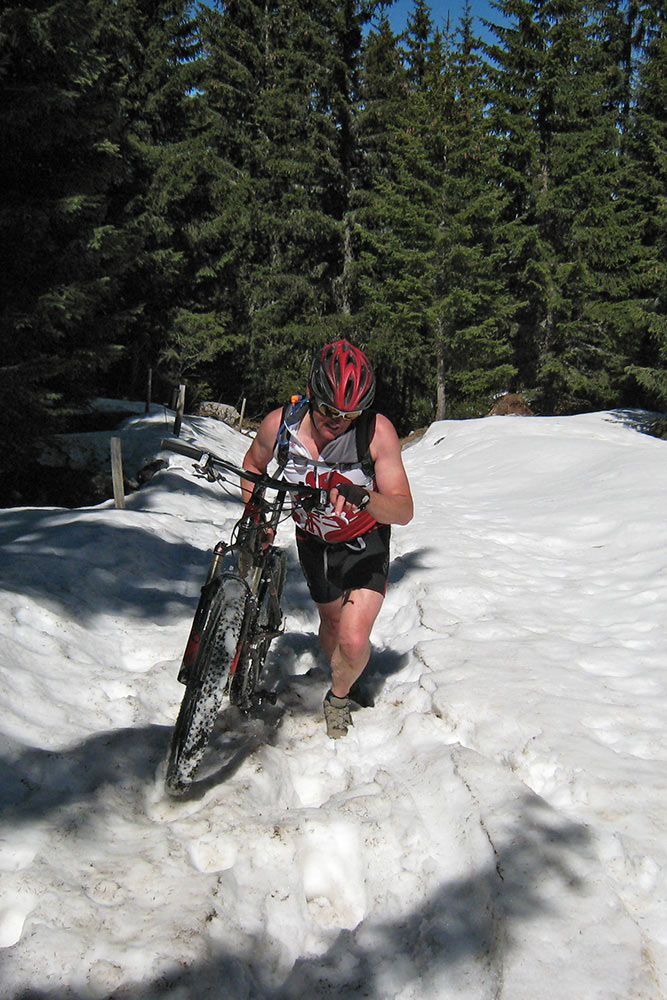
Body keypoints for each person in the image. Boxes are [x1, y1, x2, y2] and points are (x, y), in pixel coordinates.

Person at [242, 339, 413, 738]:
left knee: (353, 641)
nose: (337, 421)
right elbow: (252, 466)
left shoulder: (375, 433)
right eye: (328, 410)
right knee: (332, 630)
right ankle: (342, 668)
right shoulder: (280, 426)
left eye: (349, 414)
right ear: (312, 396)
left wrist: (366, 497)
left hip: (363, 544)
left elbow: (403, 510)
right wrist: (256, 514)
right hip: (313, 542)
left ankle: (338, 696)